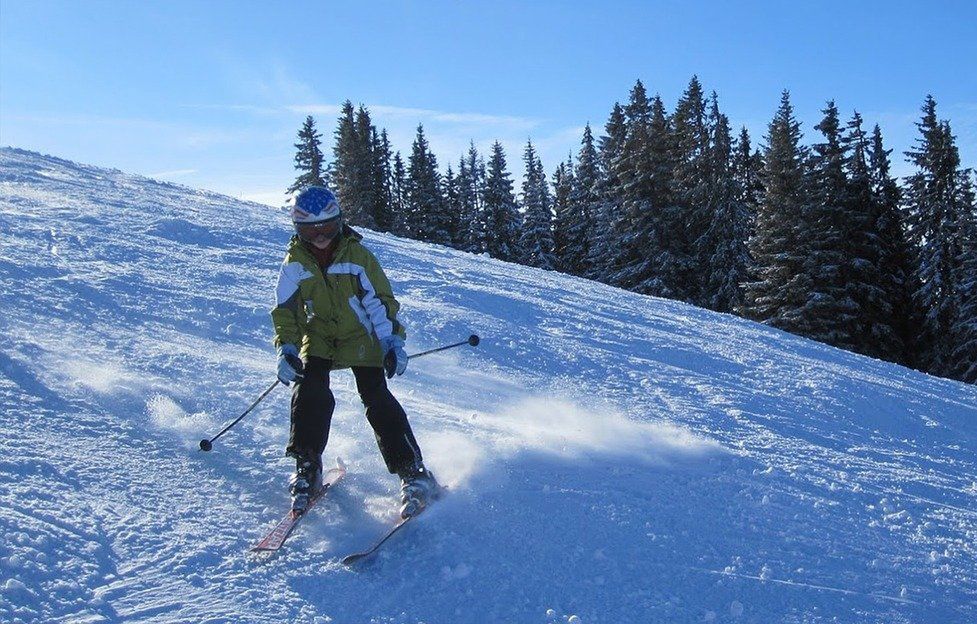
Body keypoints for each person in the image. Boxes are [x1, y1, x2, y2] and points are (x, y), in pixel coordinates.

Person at [271, 185, 439, 517]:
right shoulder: (295, 262)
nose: (320, 237)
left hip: (359, 335)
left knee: (375, 396)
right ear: (298, 230)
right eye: (310, 230)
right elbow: (286, 311)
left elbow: (380, 303)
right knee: (310, 391)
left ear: (340, 223)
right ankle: (308, 465)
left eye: (327, 228)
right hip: (319, 336)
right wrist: (288, 348)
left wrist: (391, 342)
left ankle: (413, 472)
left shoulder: (357, 257)